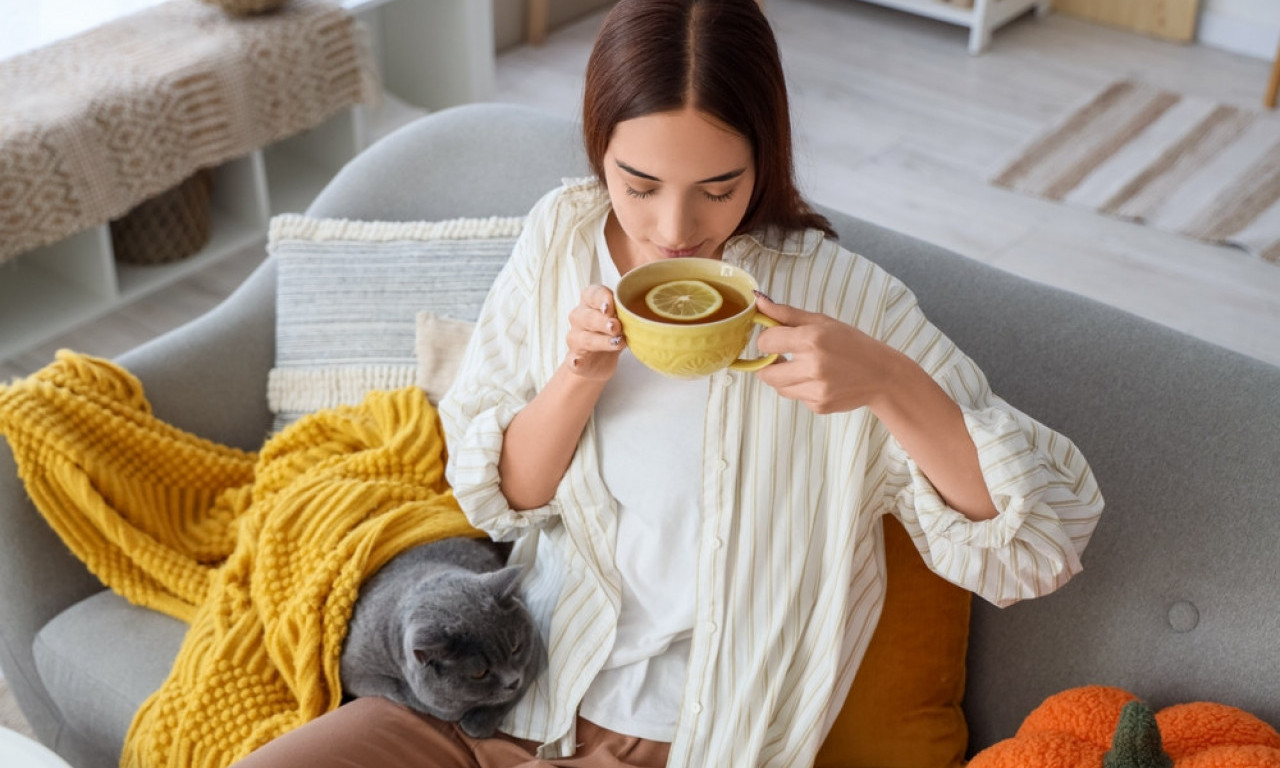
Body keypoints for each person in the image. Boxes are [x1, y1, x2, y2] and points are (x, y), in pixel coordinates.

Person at [232, 0, 1103, 766]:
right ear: (598, 150)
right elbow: (502, 500)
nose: (674, 229)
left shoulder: (845, 302)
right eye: (637, 185)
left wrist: (887, 382)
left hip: (678, 742)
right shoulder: (561, 237)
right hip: (497, 699)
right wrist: (576, 376)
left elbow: (1044, 541)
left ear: (766, 157)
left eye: (718, 188)